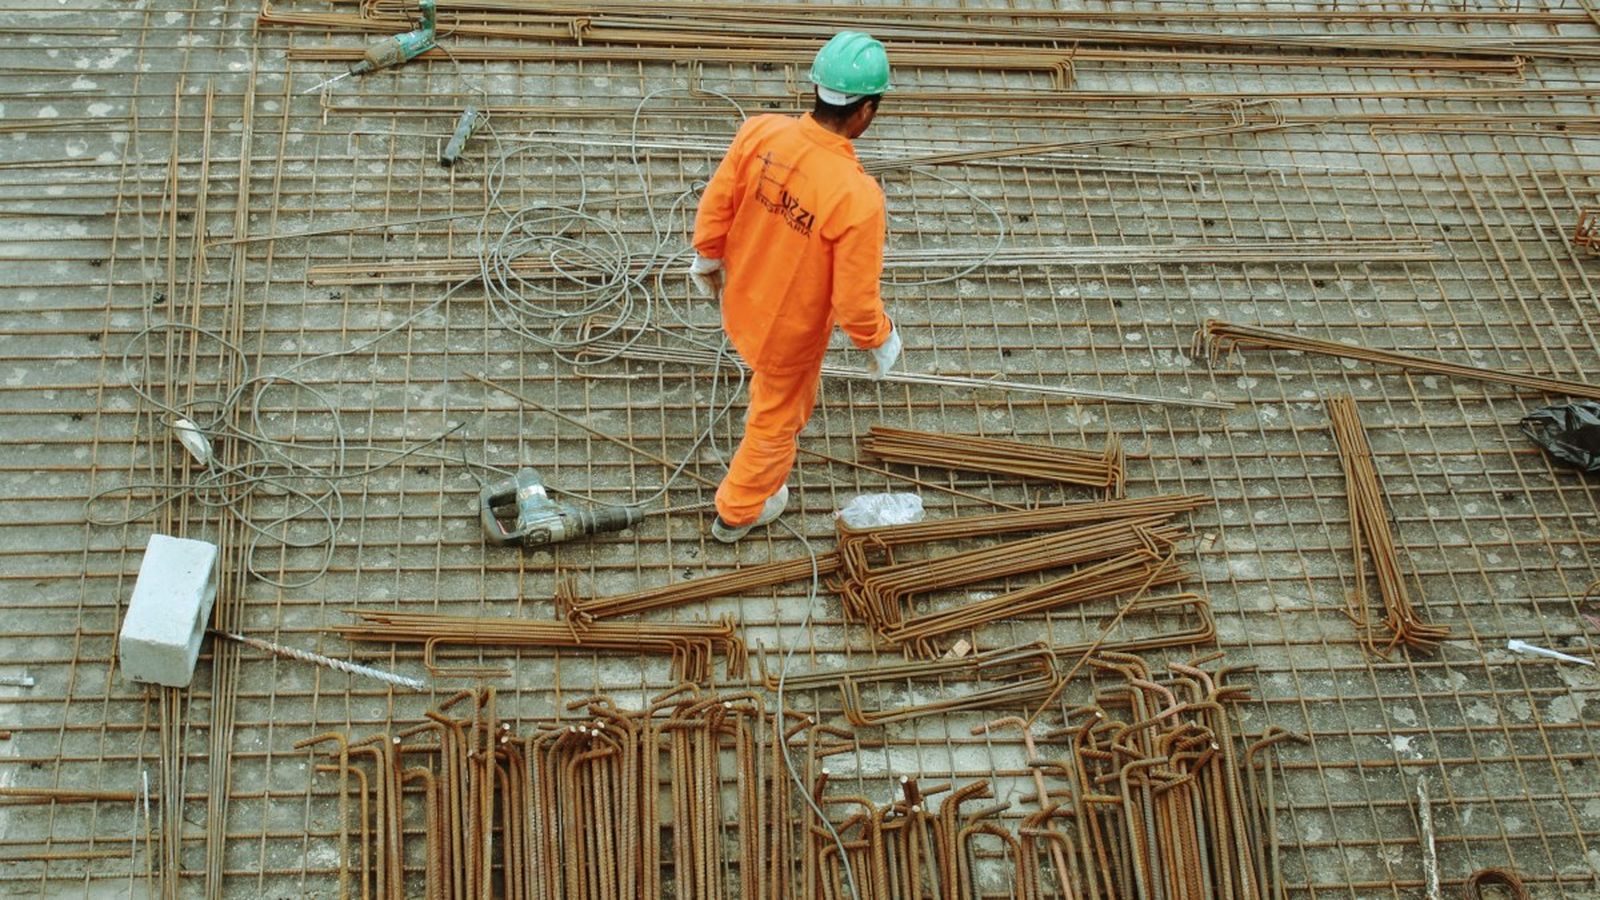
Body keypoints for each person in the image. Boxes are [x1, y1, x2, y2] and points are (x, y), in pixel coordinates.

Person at [687, 30, 902, 543]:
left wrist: (707, 256)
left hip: (740, 300)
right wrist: (880, 338)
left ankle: (748, 493)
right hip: (788, 335)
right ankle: (738, 511)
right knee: (776, 421)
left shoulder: (760, 133)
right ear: (866, 111)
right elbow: (854, 301)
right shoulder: (857, 197)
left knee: (767, 392)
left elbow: (718, 202)